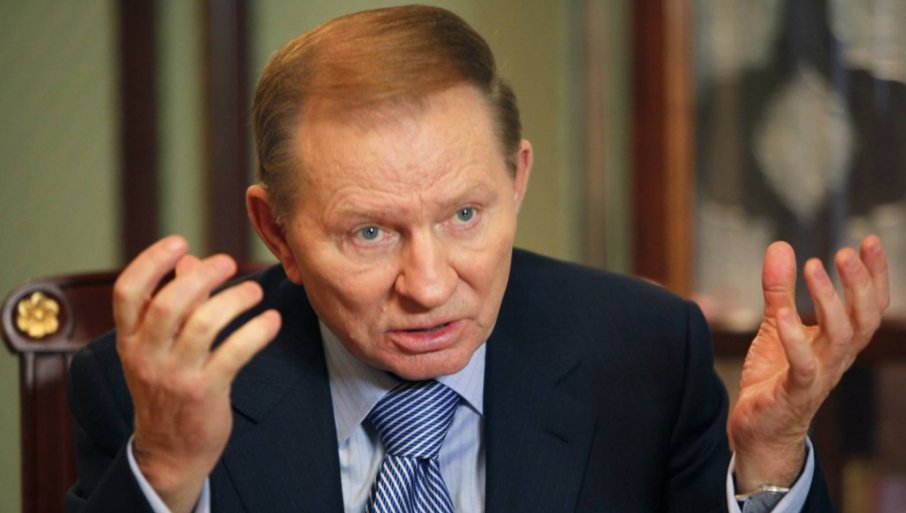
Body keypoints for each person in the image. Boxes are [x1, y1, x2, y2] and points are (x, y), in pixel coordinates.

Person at [66, 5, 890, 513]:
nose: (429, 286)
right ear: (275, 230)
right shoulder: (152, 396)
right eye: (369, 233)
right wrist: (166, 469)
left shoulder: (644, 352)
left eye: (464, 215)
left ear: (517, 179)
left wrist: (770, 461)